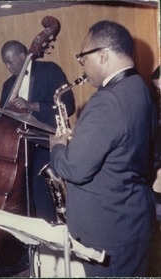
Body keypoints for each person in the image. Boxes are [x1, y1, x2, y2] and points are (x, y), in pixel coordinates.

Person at [49, 20, 156, 276]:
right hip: (134, 221)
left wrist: (58, 147)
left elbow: (74, 169)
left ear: (103, 55)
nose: (82, 65)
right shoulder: (141, 90)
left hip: (107, 232)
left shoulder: (107, 100)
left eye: (83, 57)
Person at [0, 40, 75, 223]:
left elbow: (68, 105)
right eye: (4, 63)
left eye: (10, 61)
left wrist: (31, 106)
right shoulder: (8, 85)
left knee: (48, 197)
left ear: (23, 56)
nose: (7, 67)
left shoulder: (49, 70)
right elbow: (2, 120)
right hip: (20, 148)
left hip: (47, 144)